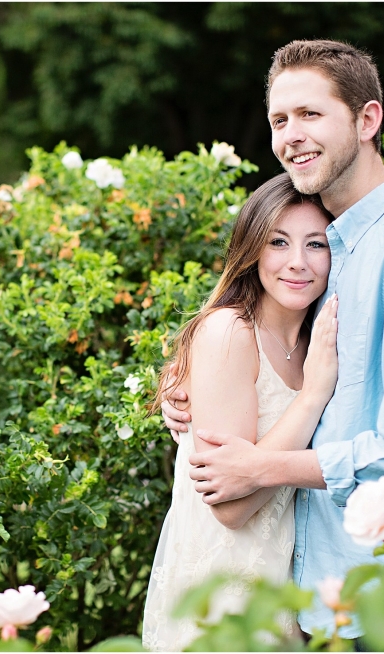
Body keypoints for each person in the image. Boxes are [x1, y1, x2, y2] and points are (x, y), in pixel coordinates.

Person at [161, 39, 384, 650]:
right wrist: (194, 388)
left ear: (368, 120)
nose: (292, 135)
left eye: (311, 114)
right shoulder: (335, 249)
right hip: (331, 597)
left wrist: (260, 467)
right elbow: (273, 361)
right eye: (279, 120)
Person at [142, 173, 339, 651]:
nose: (298, 263)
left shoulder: (321, 341)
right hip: (223, 600)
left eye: (316, 244)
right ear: (252, 250)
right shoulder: (231, 333)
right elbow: (230, 507)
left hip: (289, 591)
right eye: (278, 242)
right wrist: (312, 396)